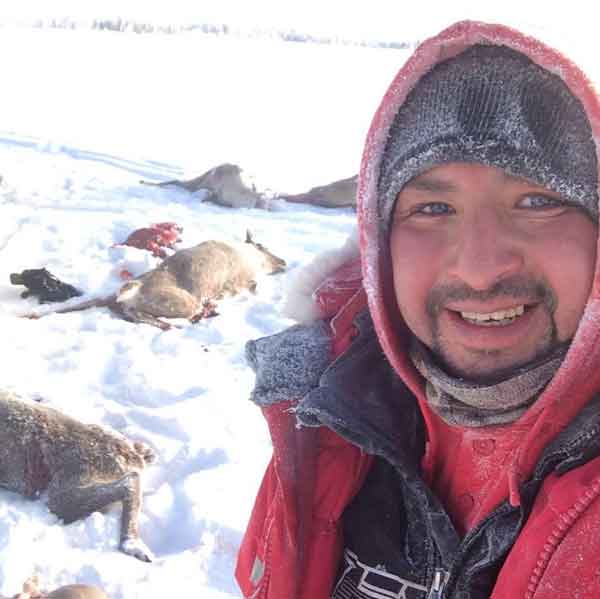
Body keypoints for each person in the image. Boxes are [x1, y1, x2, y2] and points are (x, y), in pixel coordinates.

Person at [236, 20, 600, 599]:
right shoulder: (326, 408)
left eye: (539, 201)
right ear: (380, 242)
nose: (480, 268)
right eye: (432, 207)